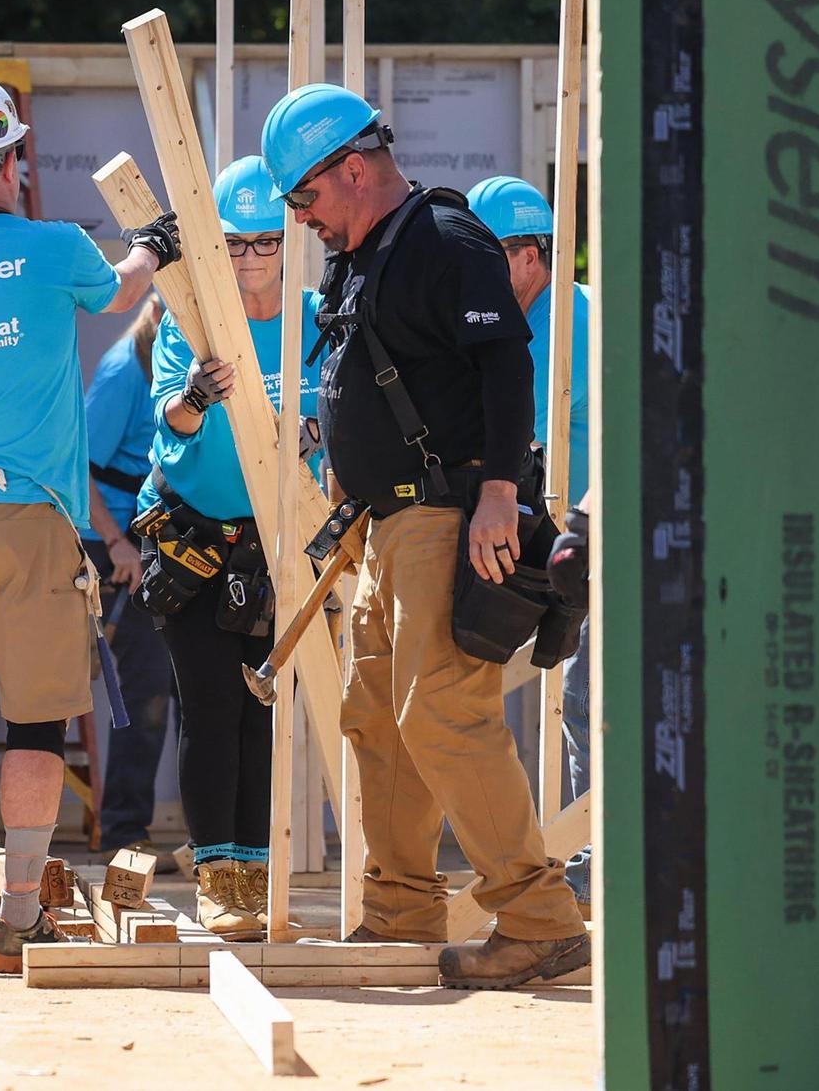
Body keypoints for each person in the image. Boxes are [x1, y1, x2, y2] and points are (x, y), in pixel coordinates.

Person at [261, 84, 588, 990]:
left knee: (444, 714)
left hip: (446, 516)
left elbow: (506, 367)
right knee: (376, 720)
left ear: (353, 169)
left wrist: (494, 498)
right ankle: (400, 914)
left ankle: (538, 918)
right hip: (385, 525)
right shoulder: (362, 257)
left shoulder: (445, 242)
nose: (303, 220)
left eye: (306, 199)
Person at [0, 72, 181, 973]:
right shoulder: (52, 249)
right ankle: (17, 919)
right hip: (33, 520)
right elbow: (126, 290)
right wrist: (156, 244)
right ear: (13, 163)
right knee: (39, 725)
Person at [133, 155, 324, 940]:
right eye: (234, 243)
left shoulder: (315, 318)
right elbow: (172, 426)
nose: (250, 258)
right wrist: (198, 397)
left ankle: (258, 883)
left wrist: (321, 435)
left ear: (289, 239)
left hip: (277, 542)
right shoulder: (191, 316)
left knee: (262, 711)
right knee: (211, 708)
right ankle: (221, 884)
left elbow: (340, 409)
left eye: (265, 242)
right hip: (194, 540)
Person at [466, 176, 592, 909]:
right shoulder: (508, 316)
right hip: (554, 539)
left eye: (490, 257)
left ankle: (591, 872)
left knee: (585, 700)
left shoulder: (571, 320)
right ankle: (581, 871)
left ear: (530, 254)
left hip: (600, 534)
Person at [80, 291, 179, 872]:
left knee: (173, 690)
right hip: (120, 543)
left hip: (161, 536)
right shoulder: (125, 368)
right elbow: (81, 466)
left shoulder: (169, 360)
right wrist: (118, 544)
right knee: (142, 691)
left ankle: (209, 838)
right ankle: (123, 834)